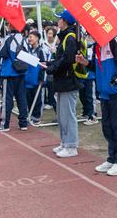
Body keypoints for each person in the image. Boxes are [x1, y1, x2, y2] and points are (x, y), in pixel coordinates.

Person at [92, 34, 117, 176]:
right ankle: (112, 158)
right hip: (104, 94)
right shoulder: (96, 46)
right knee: (107, 127)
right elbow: (95, 67)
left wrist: (114, 82)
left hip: (116, 93)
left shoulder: (115, 41)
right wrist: (85, 63)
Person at [44, 10, 80, 158]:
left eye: (60, 19)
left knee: (68, 115)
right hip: (62, 80)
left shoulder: (70, 38)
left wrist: (51, 67)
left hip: (68, 81)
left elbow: (67, 60)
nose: (57, 21)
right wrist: (49, 64)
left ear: (65, 21)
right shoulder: (65, 37)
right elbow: (61, 59)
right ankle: (65, 142)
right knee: (61, 115)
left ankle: (71, 146)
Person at [0, 23, 29, 133]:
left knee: (6, 99)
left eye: (8, 24)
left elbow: (1, 53)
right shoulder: (23, 38)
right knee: (21, 98)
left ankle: (4, 124)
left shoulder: (7, 38)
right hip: (21, 72)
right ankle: (23, 123)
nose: (7, 26)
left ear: (12, 26)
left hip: (9, 72)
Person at [25, 30, 46, 125]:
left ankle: (36, 117)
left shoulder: (41, 51)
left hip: (37, 80)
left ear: (37, 38)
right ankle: (30, 115)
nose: (29, 39)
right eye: (29, 37)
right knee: (28, 98)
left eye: (31, 37)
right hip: (27, 79)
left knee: (37, 99)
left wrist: (41, 79)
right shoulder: (27, 50)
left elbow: (44, 65)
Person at [79, 34, 98, 126]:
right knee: (82, 95)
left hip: (90, 75)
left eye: (92, 37)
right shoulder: (83, 44)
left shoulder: (96, 47)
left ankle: (92, 115)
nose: (90, 38)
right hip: (82, 74)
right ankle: (86, 111)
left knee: (90, 96)